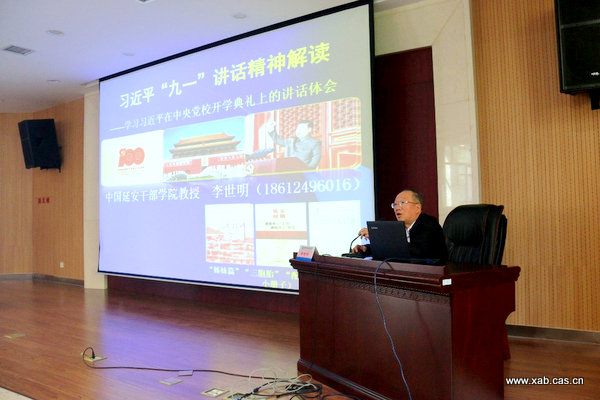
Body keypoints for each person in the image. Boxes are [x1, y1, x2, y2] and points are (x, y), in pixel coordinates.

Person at [352, 189, 447, 262]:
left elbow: (416, 252)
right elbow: (391, 249)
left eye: (402, 203)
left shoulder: (430, 225)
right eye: (395, 205)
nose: (397, 208)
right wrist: (367, 249)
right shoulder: (399, 227)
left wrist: (380, 236)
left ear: (418, 208)